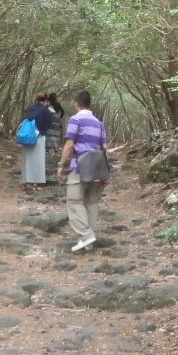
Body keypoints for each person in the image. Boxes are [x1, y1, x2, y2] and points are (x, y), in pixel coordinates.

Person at [56, 90, 109, 252]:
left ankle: (86, 236)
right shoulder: (99, 124)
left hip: (80, 166)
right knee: (91, 201)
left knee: (74, 200)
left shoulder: (75, 120)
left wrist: (61, 164)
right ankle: (88, 241)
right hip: (97, 167)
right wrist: (105, 173)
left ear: (76, 104)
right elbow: (104, 149)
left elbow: (69, 145)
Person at [19, 93, 54, 191]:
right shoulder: (45, 110)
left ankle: (25, 182)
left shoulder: (30, 108)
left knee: (27, 159)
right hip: (38, 135)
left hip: (27, 135)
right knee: (38, 160)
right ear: (46, 100)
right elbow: (48, 124)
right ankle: (35, 183)